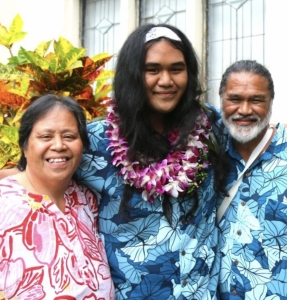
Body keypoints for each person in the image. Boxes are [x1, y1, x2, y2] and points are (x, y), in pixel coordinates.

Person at [74, 24, 230, 299]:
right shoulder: (96, 142)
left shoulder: (211, 128)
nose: (166, 80)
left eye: (176, 69)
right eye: (153, 69)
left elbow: (259, 132)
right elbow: (34, 177)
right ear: (133, 74)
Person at [0, 94, 114, 299]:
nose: (59, 145)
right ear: (24, 146)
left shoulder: (87, 198)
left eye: (69, 136)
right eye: (46, 136)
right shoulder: (4, 202)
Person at [215, 60, 287, 299]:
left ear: (271, 101)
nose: (244, 109)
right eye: (234, 99)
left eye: (256, 100)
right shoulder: (206, 156)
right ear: (221, 98)